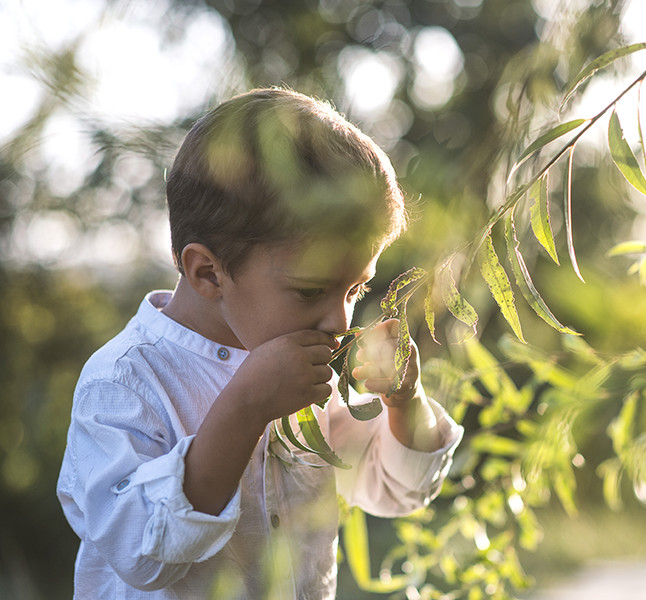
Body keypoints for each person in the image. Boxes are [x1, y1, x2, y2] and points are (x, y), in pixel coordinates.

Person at [56, 88, 463, 599]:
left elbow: (395, 488)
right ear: (208, 273)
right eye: (310, 291)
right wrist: (245, 406)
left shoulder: (302, 369)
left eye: (356, 288)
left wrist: (405, 402)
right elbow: (141, 552)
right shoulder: (125, 381)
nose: (339, 319)